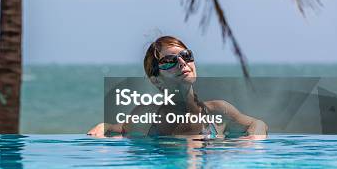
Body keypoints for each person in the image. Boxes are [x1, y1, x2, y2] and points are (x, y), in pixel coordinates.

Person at [87, 36, 268, 138]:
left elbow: (258, 124)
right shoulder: (147, 116)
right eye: (169, 61)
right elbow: (119, 130)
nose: (182, 63)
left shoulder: (217, 111)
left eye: (186, 55)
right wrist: (103, 126)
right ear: (156, 80)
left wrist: (253, 140)